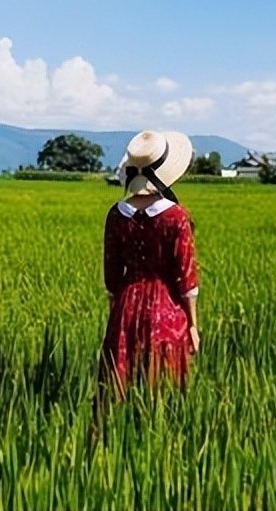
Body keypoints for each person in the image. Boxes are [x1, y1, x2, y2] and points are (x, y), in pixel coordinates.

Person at [98, 129, 200, 402]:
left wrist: (117, 311)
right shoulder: (176, 217)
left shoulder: (116, 215)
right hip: (167, 310)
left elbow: (111, 276)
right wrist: (192, 324)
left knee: (120, 387)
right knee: (163, 393)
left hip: (125, 306)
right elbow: (186, 277)